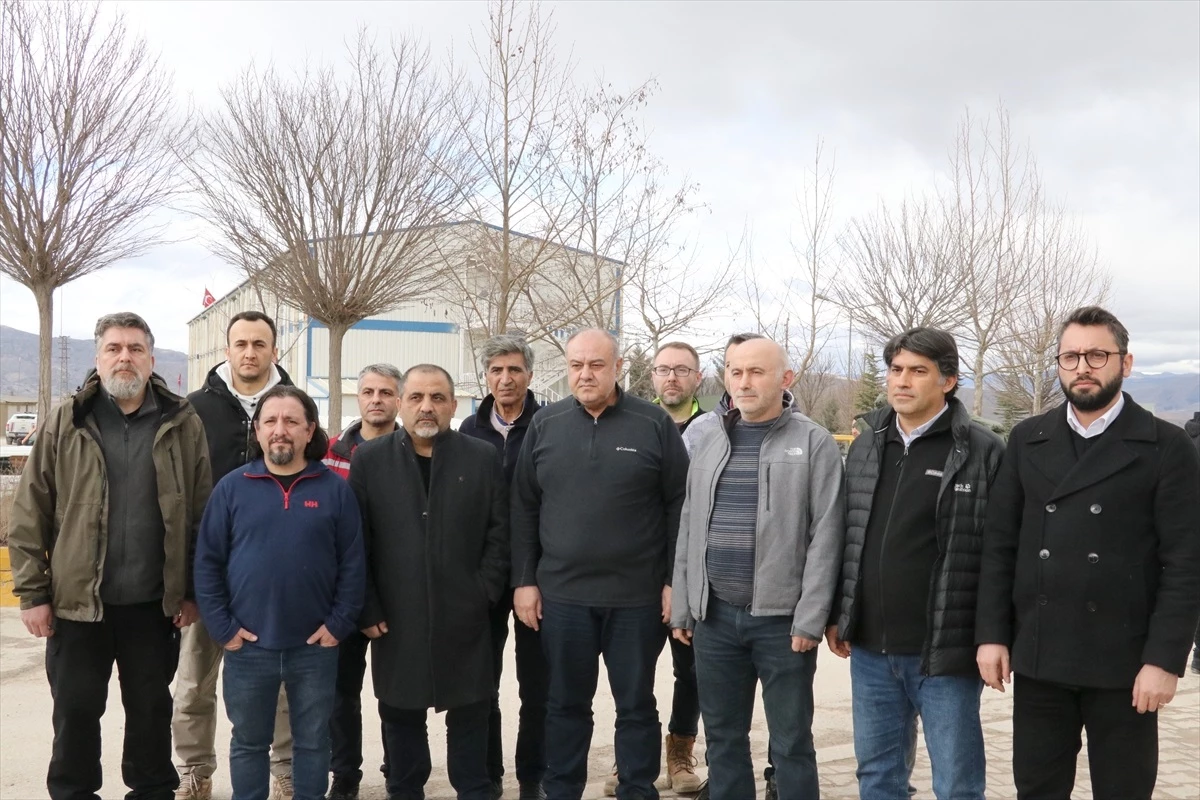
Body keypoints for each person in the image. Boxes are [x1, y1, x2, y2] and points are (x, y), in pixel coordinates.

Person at [976, 306, 1200, 799]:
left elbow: (1185, 564)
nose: (1083, 367)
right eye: (1071, 356)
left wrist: (1164, 660)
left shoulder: (1165, 445)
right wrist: (991, 635)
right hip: (1040, 656)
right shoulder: (1028, 439)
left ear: (1126, 362)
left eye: (1097, 355)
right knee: (1037, 790)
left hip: (1126, 665)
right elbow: (1000, 545)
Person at [8, 312, 212, 800]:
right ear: (98, 359)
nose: (125, 357)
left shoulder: (181, 421)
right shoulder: (68, 420)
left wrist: (191, 591)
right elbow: (30, 510)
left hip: (152, 605)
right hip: (78, 606)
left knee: (150, 713)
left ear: (150, 359)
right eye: (114, 348)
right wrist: (33, 593)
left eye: (135, 349)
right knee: (76, 713)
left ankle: (152, 792)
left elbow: (201, 514)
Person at [825, 329, 1004, 800]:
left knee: (957, 785)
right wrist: (840, 613)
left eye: (918, 371)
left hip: (945, 652)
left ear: (948, 381)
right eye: (896, 369)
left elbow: (999, 553)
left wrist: (993, 635)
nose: (902, 381)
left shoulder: (982, 451)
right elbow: (849, 534)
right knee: (878, 778)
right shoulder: (866, 445)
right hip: (870, 650)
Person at [511, 328, 688, 800]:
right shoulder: (545, 425)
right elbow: (524, 506)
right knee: (565, 704)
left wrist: (674, 581)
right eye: (576, 365)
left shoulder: (653, 423)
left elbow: (679, 505)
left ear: (617, 368)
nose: (585, 374)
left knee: (636, 705)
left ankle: (637, 789)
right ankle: (562, 790)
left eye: (596, 365)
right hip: (563, 597)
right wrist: (525, 580)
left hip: (637, 598)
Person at [671, 336, 845, 800]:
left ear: (785, 378)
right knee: (723, 740)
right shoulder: (710, 439)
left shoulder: (814, 442)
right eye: (735, 371)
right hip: (715, 619)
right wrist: (686, 604)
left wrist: (810, 618)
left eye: (756, 372)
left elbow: (827, 536)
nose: (743, 382)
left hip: (782, 625)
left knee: (791, 743)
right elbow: (690, 525)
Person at [195, 385, 365, 800]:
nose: (280, 430)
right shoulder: (232, 488)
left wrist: (338, 625)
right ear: (257, 430)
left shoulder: (334, 490)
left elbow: (353, 564)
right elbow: (207, 563)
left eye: (291, 421)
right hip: (248, 645)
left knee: (313, 742)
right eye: (270, 421)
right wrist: (223, 628)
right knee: (248, 742)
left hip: (315, 646)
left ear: (309, 430)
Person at [350, 365, 510, 800]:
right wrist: (368, 606)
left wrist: (483, 592)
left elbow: (499, 534)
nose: (427, 407)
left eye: (437, 398)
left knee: (471, 714)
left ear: (453, 406)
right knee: (400, 718)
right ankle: (404, 789)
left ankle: (475, 789)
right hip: (395, 616)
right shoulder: (370, 460)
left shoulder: (481, 457)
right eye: (417, 397)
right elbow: (357, 542)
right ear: (401, 404)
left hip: (466, 614)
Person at [175, 310, 296, 800]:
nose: (250, 352)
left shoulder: (292, 404)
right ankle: (194, 769)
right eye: (241, 343)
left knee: (281, 684)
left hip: (274, 573)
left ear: (274, 350)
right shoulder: (193, 409)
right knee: (194, 682)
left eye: (259, 343)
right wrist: (184, 579)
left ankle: (285, 769)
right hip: (207, 571)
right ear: (226, 350)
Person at [614, 341, 706, 796]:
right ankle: (632, 759)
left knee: (691, 671)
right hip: (640, 574)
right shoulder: (634, 423)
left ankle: (680, 752)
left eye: (682, 370)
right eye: (663, 369)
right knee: (634, 670)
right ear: (650, 375)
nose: (672, 377)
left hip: (694, 571)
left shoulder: (717, 428)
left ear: (698, 378)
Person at [458, 335, 548, 800]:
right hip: (485, 574)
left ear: (529, 375)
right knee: (482, 683)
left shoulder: (550, 425)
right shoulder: (468, 431)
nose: (505, 378)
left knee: (538, 686)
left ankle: (533, 777)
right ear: (486, 376)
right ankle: (488, 775)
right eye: (496, 370)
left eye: (514, 369)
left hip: (539, 575)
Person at [323, 364, 402, 800]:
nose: (376, 399)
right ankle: (345, 776)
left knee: (396, 692)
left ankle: (398, 771)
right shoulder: (330, 454)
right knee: (341, 694)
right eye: (368, 391)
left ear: (398, 400)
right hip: (340, 595)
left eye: (385, 392)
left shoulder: (413, 450)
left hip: (395, 595)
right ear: (358, 397)